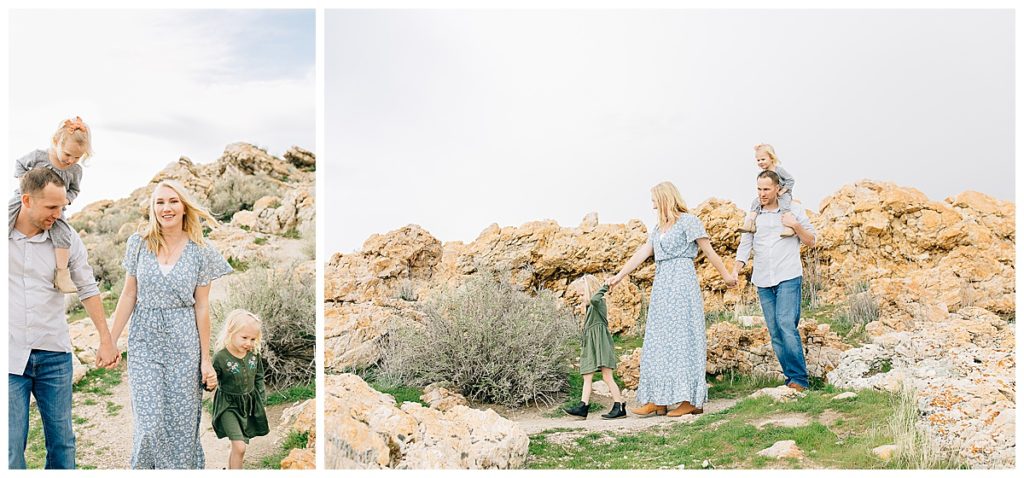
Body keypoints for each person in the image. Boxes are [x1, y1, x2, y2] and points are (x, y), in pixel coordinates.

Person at [109, 180, 233, 469]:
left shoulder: (201, 251)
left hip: (184, 344)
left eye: (173, 201)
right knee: (149, 425)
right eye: (160, 202)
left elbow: (202, 307)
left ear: (184, 206)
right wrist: (110, 340)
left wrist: (205, 360)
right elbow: (129, 294)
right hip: (144, 344)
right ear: (153, 208)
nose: (166, 207)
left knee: (182, 425)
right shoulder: (138, 244)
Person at [8, 168, 120, 469]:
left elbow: (87, 287)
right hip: (9, 356)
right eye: (51, 207)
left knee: (62, 444)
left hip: (54, 354)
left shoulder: (66, 238)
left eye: (62, 207)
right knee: (10, 448)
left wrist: (106, 340)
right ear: (27, 200)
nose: (58, 214)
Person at [608, 181, 737, 418]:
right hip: (662, 286)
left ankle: (690, 401)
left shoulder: (688, 221)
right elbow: (642, 253)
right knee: (658, 340)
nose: (652, 204)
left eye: (654, 199)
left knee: (682, 340)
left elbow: (709, 251)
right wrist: (619, 276)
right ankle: (658, 400)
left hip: (682, 285)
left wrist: (727, 276)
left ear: (665, 198)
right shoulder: (658, 229)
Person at [732, 170, 816, 392]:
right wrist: (735, 270)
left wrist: (795, 225)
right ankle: (790, 378)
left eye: (767, 189)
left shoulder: (793, 209)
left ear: (778, 189)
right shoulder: (754, 214)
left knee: (786, 325)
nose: (762, 194)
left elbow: (812, 240)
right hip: (763, 280)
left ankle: (800, 380)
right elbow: (745, 245)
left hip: (788, 276)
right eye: (759, 189)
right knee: (775, 331)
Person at [8, 116, 94, 293]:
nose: (71, 160)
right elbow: (19, 165)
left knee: (63, 232)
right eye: (68, 154)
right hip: (25, 198)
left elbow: (74, 190)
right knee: (8, 215)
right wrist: (27, 184)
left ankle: (62, 274)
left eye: (77, 157)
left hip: (55, 207)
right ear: (56, 142)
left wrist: (65, 201)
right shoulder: (40, 156)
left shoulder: (75, 171)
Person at [211, 309, 270, 469]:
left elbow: (258, 377)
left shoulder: (253, 354)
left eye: (253, 339)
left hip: (247, 405)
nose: (249, 343)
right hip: (228, 406)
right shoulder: (221, 357)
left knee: (237, 447)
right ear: (231, 332)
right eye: (244, 338)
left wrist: (262, 401)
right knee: (240, 447)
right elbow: (211, 380)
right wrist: (209, 383)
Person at [563, 283, 626, 420]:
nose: (580, 297)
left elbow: (594, 299)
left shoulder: (598, 302)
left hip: (600, 342)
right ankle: (583, 407)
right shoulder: (589, 307)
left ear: (590, 291)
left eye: (582, 293)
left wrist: (604, 287)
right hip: (590, 343)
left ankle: (619, 406)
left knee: (607, 376)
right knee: (587, 375)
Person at [736, 143, 798, 237]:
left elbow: (790, 180)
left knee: (784, 205)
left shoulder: (778, 170)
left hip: (783, 193)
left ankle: (789, 227)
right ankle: (750, 223)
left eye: (763, 159)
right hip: (769, 195)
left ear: (771, 158)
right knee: (756, 202)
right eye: (758, 160)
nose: (760, 162)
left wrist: (782, 191)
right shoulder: (762, 173)